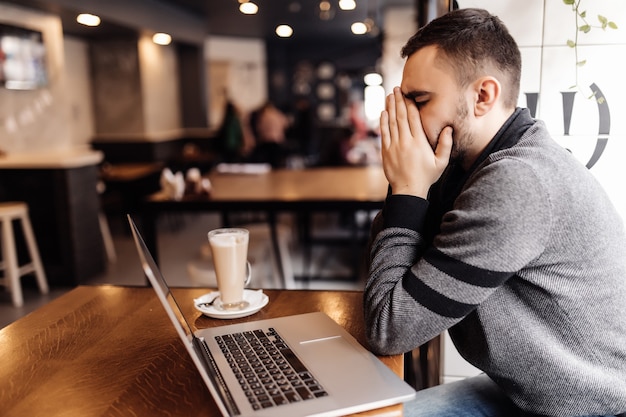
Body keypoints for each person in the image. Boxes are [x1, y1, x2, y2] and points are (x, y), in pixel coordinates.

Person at [364, 8, 626, 417]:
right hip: (523, 393)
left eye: (419, 101)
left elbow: (389, 327)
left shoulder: (517, 182)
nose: (405, 121)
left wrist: (407, 190)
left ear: (483, 96)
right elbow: (393, 272)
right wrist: (411, 188)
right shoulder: (470, 164)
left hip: (583, 409)